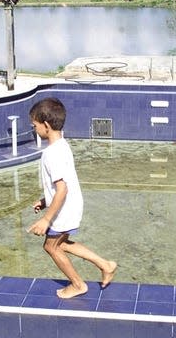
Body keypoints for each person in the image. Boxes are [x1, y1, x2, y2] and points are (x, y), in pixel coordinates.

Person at [27, 97, 117, 298]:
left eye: (35, 125)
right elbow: (61, 184)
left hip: (64, 209)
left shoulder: (51, 154)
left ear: (46, 125)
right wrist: (44, 202)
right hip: (70, 205)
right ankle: (106, 265)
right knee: (62, 244)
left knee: (50, 246)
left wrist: (46, 219)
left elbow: (62, 189)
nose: (34, 129)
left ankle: (77, 284)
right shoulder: (63, 145)